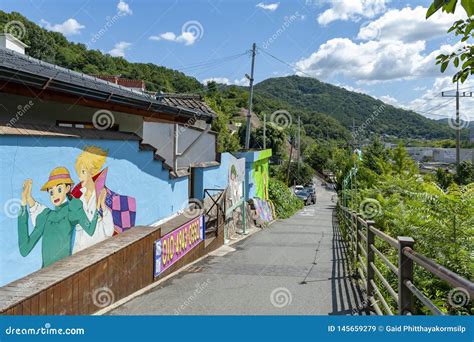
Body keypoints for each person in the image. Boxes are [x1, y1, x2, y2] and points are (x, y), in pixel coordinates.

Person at [18, 167, 106, 268]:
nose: (54, 195)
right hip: (45, 276)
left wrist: (97, 208)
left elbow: (90, 230)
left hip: (64, 273)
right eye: (51, 192)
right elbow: (24, 249)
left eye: (59, 189)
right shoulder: (46, 216)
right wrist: (24, 201)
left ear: (67, 188)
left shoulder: (72, 210)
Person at [72, 146, 114, 254]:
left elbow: (109, 232)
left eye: (83, 172)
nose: (80, 177)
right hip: (79, 256)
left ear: (91, 171)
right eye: (79, 173)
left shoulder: (102, 195)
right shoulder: (78, 199)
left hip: (99, 254)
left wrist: (103, 207)